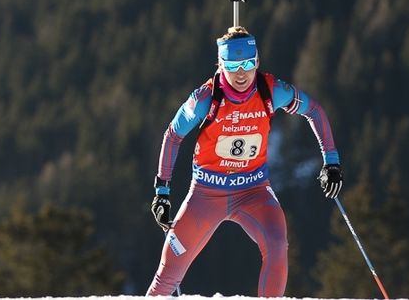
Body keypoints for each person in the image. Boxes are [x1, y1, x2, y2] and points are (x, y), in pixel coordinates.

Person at [146, 26, 343, 297]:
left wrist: (331, 162)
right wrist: (162, 191)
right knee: (166, 278)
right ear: (220, 65)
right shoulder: (206, 98)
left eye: (248, 64)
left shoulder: (270, 90)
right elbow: (173, 135)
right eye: (233, 65)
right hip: (205, 195)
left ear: (258, 62)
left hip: (254, 191)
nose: (242, 73)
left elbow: (314, 111)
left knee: (277, 246)